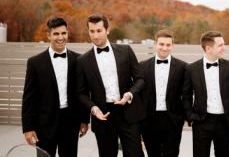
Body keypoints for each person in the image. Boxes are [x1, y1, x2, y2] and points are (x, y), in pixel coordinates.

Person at [76, 14, 145, 157]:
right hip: (103, 115)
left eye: (99, 30)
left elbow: (140, 79)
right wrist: (93, 109)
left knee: (135, 154)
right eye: (92, 31)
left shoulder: (126, 51)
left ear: (107, 30)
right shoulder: (82, 61)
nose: (95, 35)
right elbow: (81, 93)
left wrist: (129, 94)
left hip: (128, 111)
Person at [22, 16, 89, 157]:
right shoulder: (35, 62)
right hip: (44, 124)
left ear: (67, 33)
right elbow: (28, 98)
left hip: (70, 123)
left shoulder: (79, 60)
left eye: (63, 33)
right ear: (48, 35)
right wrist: (28, 128)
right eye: (56, 34)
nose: (60, 37)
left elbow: (82, 91)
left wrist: (84, 119)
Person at [182, 30, 229, 157]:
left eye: (223, 44)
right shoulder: (191, 69)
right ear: (208, 48)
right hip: (201, 122)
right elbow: (186, 95)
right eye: (220, 45)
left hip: (226, 122)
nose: (224, 48)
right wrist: (190, 116)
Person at [140, 29, 187, 157]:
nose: (164, 48)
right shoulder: (142, 66)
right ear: (156, 44)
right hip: (149, 120)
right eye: (161, 44)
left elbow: (186, 94)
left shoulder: (183, 67)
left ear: (173, 45)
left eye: (168, 45)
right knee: (152, 154)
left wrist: (181, 118)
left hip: (172, 120)